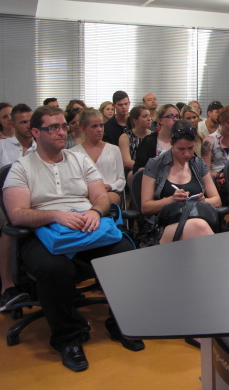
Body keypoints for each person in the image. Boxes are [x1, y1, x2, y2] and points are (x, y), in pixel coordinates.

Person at [2, 105, 143, 372]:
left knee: (124, 252)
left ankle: (121, 325)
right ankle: (68, 339)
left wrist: (95, 211)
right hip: (45, 232)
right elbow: (17, 213)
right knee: (53, 268)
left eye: (63, 127)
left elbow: (100, 196)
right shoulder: (22, 168)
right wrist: (55, 215)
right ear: (36, 132)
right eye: (53, 127)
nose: (61, 132)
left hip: (87, 226)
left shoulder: (79, 159)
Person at [139, 120, 221, 246]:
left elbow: (217, 201)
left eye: (191, 148)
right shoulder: (155, 164)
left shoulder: (198, 164)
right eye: (181, 149)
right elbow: (145, 207)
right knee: (198, 226)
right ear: (171, 143)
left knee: (197, 226)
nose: (187, 153)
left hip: (196, 219)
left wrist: (202, 201)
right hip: (163, 226)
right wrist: (170, 200)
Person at [0, 103, 36, 312]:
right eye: (23, 122)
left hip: (35, 200)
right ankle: (7, 285)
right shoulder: (2, 147)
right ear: (13, 125)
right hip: (4, 201)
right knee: (9, 222)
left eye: (31, 121)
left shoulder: (41, 146)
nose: (28, 125)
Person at [70, 108, 125, 205]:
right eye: (94, 126)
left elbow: (121, 179)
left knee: (110, 198)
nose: (99, 130)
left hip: (109, 194)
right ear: (83, 129)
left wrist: (111, 186)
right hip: (83, 196)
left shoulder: (114, 149)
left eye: (101, 125)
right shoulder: (73, 153)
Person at [133, 104, 179, 174]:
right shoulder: (149, 141)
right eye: (170, 116)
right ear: (160, 120)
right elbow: (138, 169)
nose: (175, 119)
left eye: (177, 116)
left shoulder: (182, 140)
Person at [119, 105, 152, 186]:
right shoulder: (126, 137)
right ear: (135, 120)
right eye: (145, 116)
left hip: (152, 168)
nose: (149, 119)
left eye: (149, 116)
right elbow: (127, 162)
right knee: (140, 173)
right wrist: (145, 168)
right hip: (132, 169)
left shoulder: (153, 136)